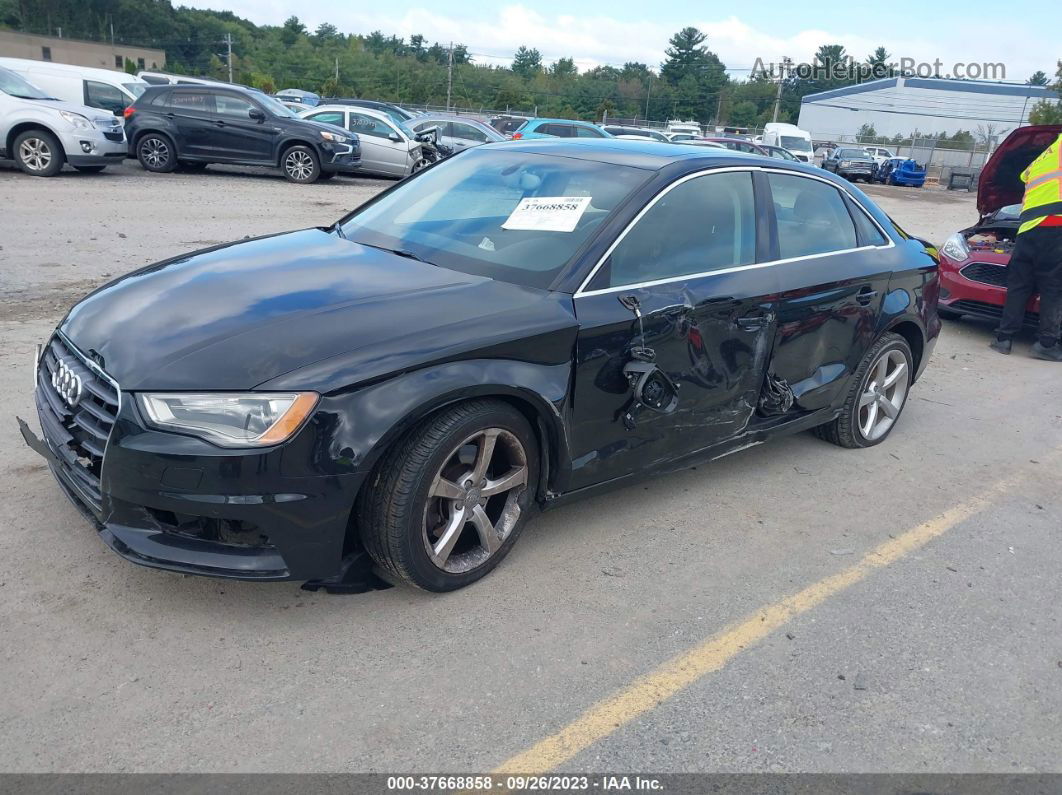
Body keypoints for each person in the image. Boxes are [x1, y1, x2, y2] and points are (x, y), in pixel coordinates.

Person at [990, 131, 1062, 361]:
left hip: (1027, 229)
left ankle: (1003, 339)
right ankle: (1047, 344)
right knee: (1052, 287)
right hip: (1055, 226)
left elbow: (1023, 177)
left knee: (1019, 285)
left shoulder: (1043, 158)